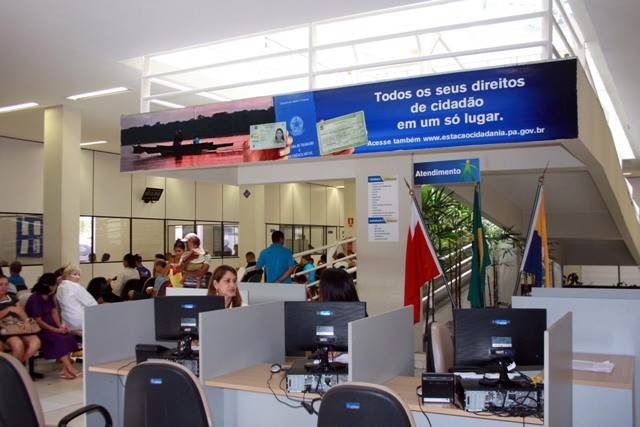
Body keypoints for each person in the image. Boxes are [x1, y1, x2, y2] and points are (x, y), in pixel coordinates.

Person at [25, 273, 82, 379]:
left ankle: (65, 369)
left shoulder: (50, 297)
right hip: (40, 329)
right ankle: (69, 368)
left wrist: (60, 326)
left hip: (51, 326)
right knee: (59, 339)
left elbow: (54, 312)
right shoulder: (35, 298)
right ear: (50, 286)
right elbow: (39, 321)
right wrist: (56, 330)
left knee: (69, 336)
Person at [0, 275, 40, 363]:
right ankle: (15, 368)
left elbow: (21, 313)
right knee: (18, 344)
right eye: (1, 284)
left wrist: (26, 321)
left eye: (6, 285)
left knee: (35, 342)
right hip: (5, 329)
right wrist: (8, 309)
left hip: (18, 326)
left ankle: (16, 366)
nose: (4, 287)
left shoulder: (12, 298)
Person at [56, 264, 98, 336]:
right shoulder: (75, 286)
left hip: (66, 322)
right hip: (79, 322)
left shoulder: (59, 287)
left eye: (79, 275)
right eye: (75, 274)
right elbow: (91, 303)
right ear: (67, 276)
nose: (78, 277)